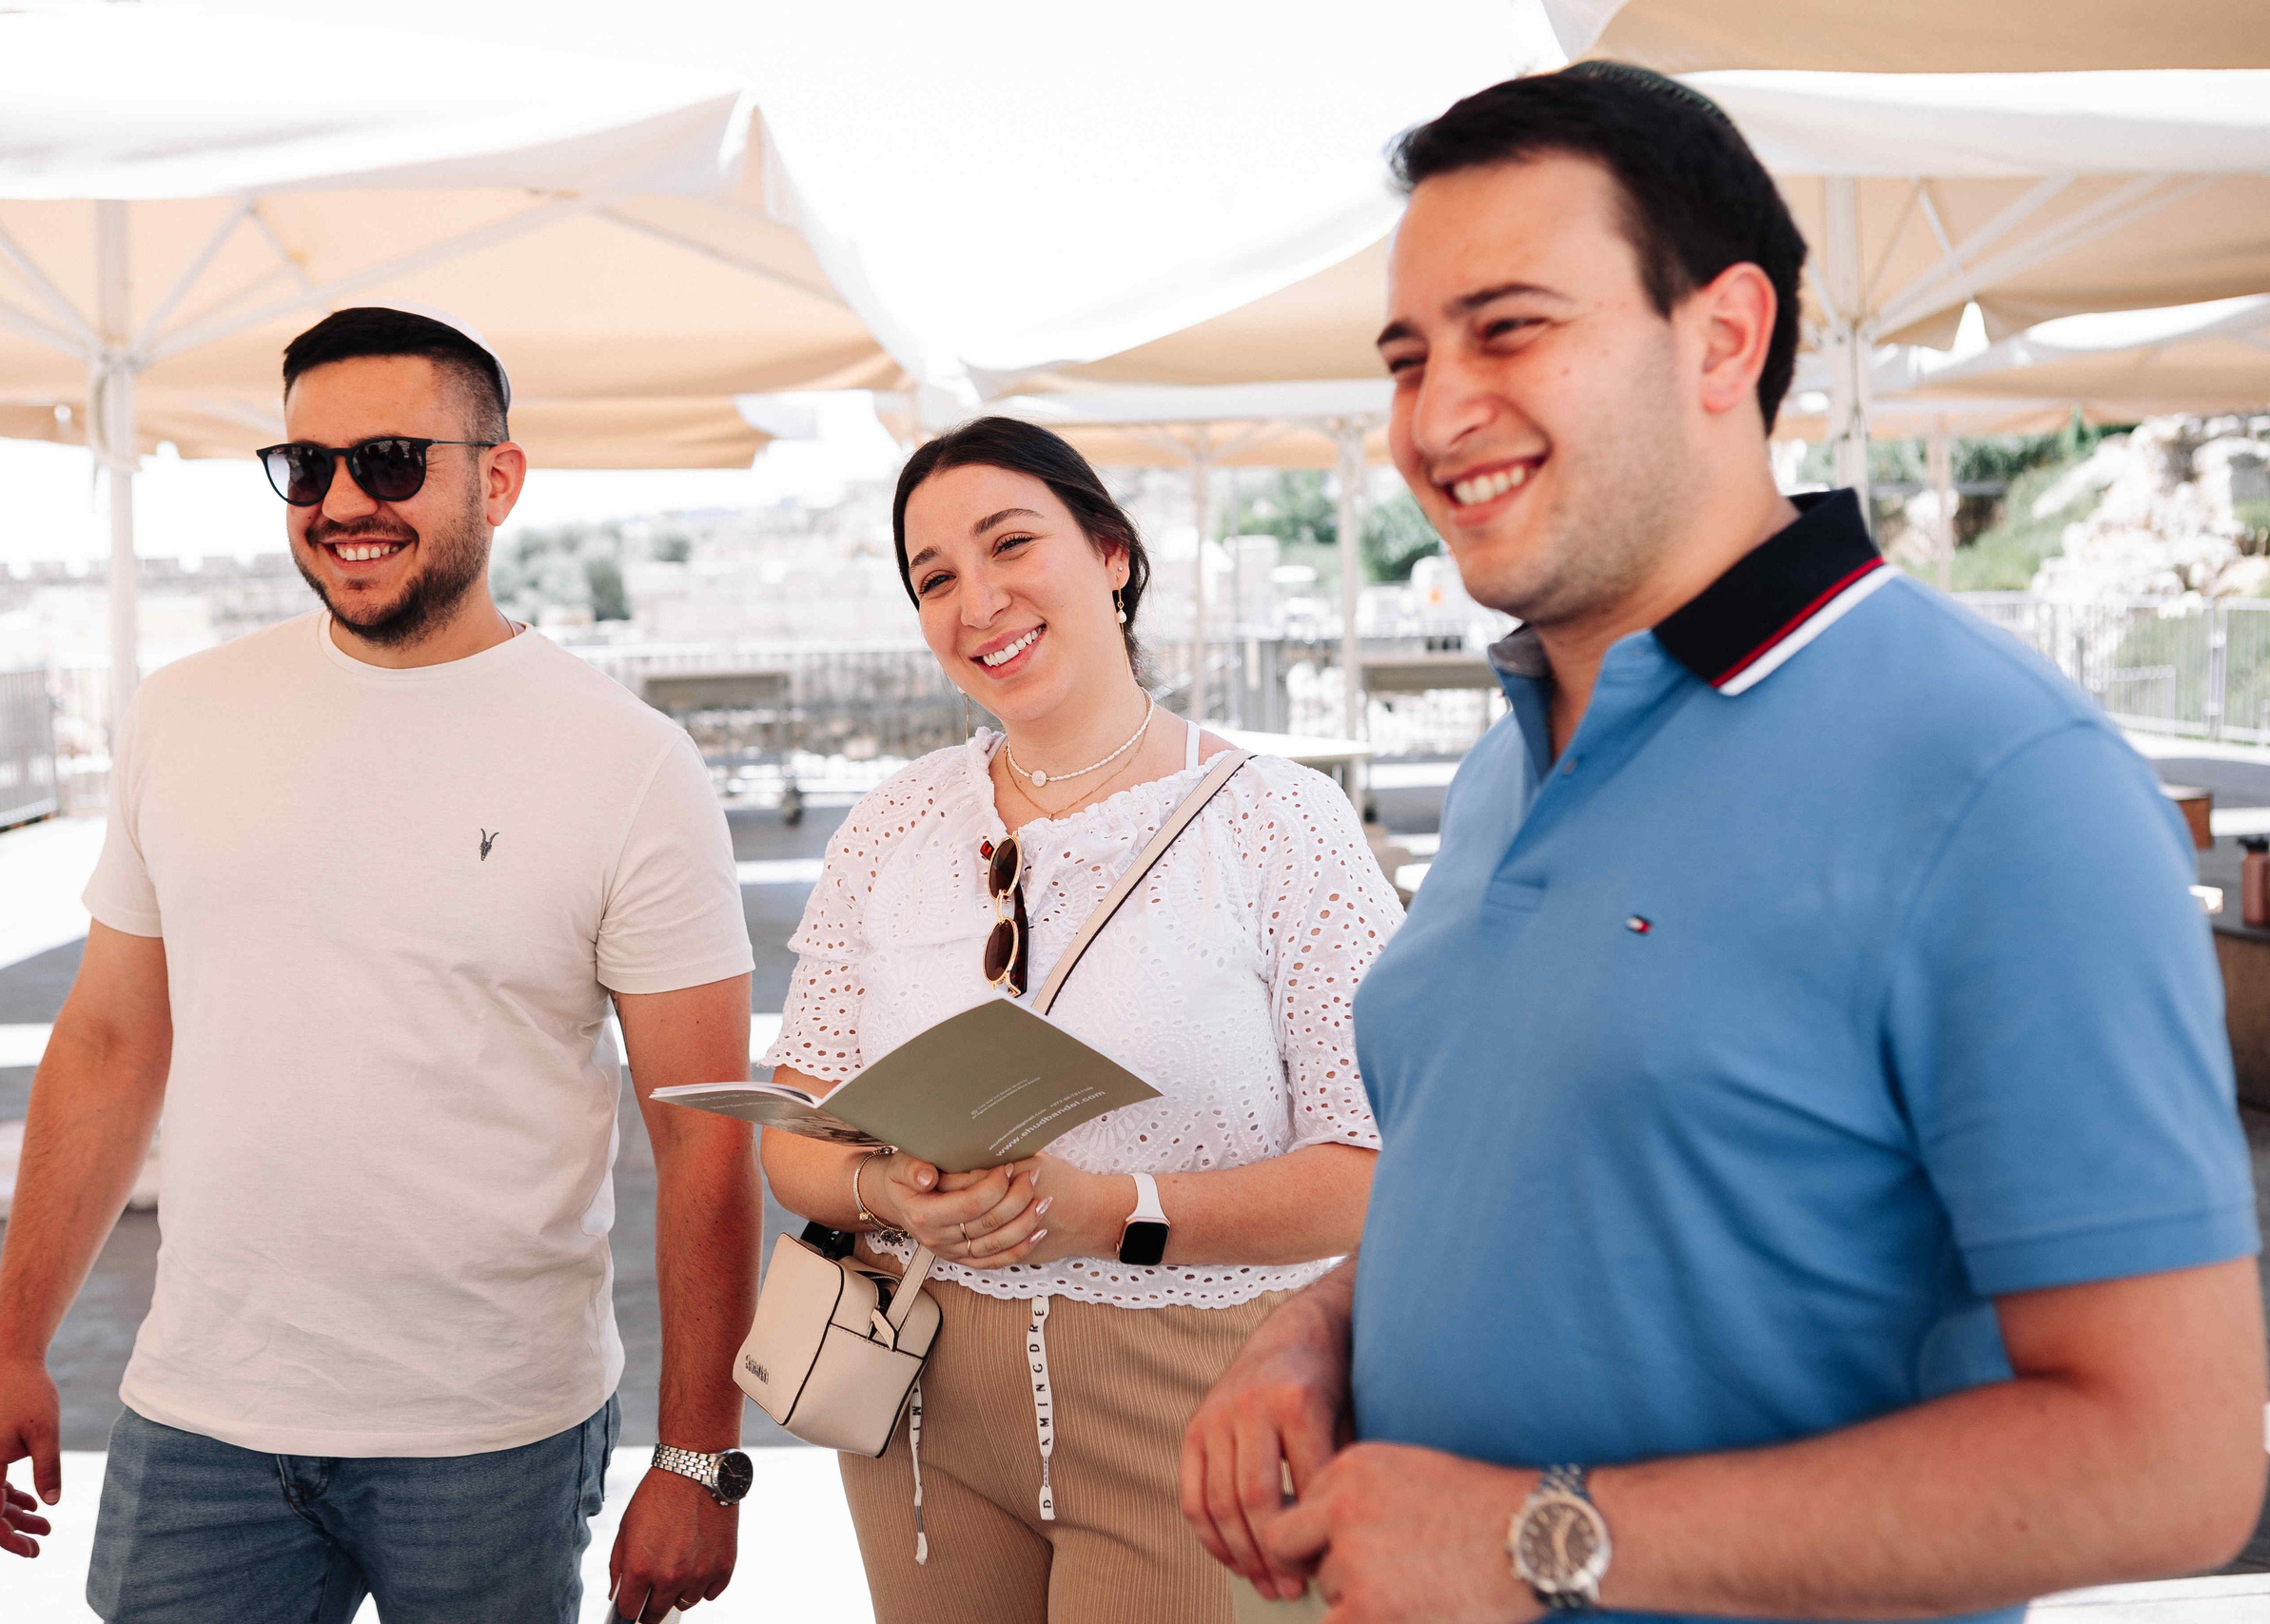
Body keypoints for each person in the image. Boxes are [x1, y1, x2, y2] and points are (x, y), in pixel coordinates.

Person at [1183, 64, 2267, 1624]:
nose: (1431, 416)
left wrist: (1534, 1536)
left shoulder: (2001, 779)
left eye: (1513, 328)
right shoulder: (1508, 764)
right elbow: (1565, 1184)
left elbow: (2168, 1459)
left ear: (1726, 338)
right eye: (1409, 357)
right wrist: (1320, 1326)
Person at [0, 306, 764, 1624]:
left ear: (497, 480)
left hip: (493, 1431)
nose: (341, 501)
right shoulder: (186, 711)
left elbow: (704, 1137)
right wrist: (10, 1346)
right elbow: (110, 1044)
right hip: (201, 1411)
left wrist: (696, 1455)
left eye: (389, 459)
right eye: (304, 465)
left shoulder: (627, 762)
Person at [756, 416, 1404, 1623]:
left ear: (1109, 551)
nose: (977, 599)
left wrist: (1111, 1212)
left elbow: (1377, 1169)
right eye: (933, 577)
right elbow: (794, 1132)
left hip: (1198, 1408)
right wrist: (888, 1195)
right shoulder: (890, 828)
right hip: (914, 1392)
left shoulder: (1282, 823)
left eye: (1012, 544)